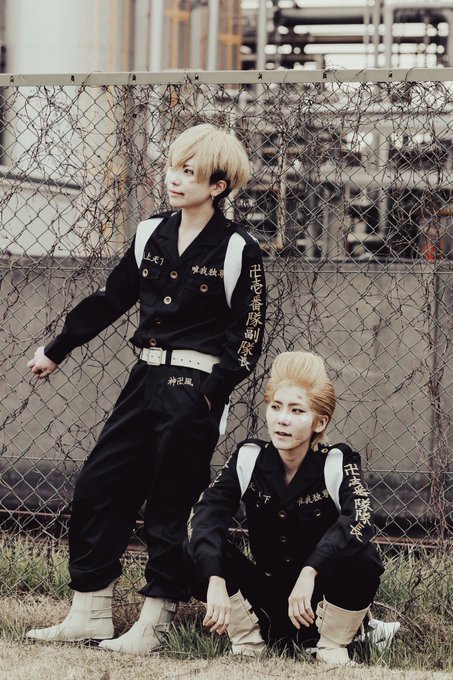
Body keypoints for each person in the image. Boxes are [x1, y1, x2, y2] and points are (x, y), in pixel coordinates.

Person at [25, 123, 266, 655]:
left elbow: (247, 337)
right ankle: (90, 612)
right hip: (145, 379)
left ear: (218, 186)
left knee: (169, 504)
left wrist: (210, 395)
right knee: (99, 485)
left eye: (189, 172)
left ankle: (155, 623)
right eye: (173, 167)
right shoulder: (150, 233)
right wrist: (58, 348)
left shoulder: (237, 249)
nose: (174, 179)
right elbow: (111, 298)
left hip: (195, 386)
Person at [186, 350, 398, 665]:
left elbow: (360, 519)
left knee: (363, 556)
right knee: (191, 541)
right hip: (266, 601)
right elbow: (205, 515)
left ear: (319, 421)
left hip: (317, 603)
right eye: (276, 407)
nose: (282, 419)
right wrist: (214, 576)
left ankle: (331, 646)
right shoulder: (249, 458)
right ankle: (248, 642)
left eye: (297, 410)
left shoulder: (337, 461)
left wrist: (312, 569)